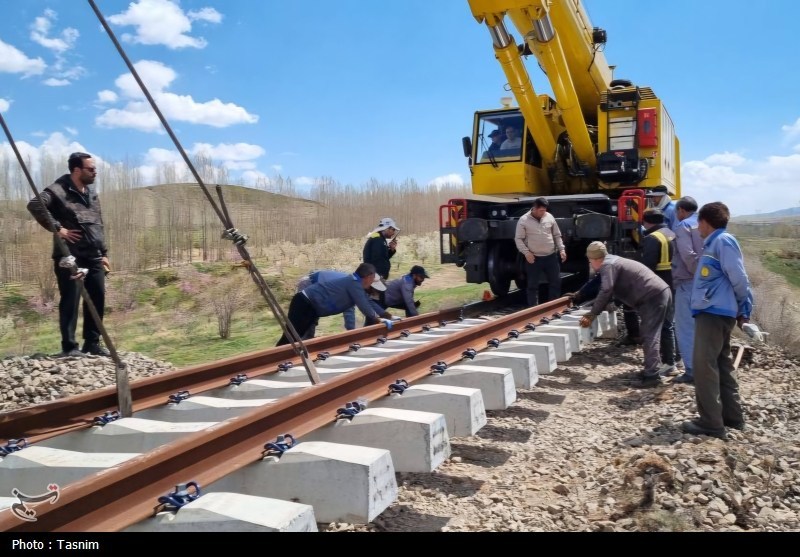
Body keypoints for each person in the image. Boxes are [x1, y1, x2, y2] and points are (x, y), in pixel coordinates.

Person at [26, 152, 110, 357]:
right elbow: (35, 205)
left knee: (97, 296)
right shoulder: (57, 190)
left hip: (93, 255)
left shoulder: (91, 194)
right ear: (76, 170)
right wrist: (58, 228)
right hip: (69, 255)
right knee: (71, 298)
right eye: (91, 169)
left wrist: (104, 252)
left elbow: (98, 224)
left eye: (95, 168)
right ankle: (70, 347)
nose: (95, 172)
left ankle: (92, 343)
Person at [682, 202, 753, 440]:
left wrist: (743, 306)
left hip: (713, 313)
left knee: (704, 367)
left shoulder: (722, 242)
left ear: (704, 221)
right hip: (716, 312)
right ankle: (732, 418)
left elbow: (739, 278)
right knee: (722, 364)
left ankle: (711, 423)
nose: (697, 228)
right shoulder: (715, 243)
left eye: (698, 224)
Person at [577, 241, 673, 386]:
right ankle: (658, 367)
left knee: (650, 335)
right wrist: (580, 294)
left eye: (590, 261)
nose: (590, 264)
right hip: (660, 292)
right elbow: (602, 284)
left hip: (652, 297)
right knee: (658, 331)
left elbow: (606, 289)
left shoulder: (607, 265)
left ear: (596, 259)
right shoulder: (613, 260)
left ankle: (652, 376)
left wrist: (592, 314)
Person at [276, 263, 393, 346]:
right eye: (372, 281)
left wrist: (385, 315)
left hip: (312, 307)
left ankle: (285, 359)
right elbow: (364, 307)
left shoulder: (356, 285)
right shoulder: (354, 284)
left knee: (299, 335)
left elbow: (368, 302)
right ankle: (275, 358)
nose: (372, 286)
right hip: (304, 303)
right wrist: (378, 319)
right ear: (368, 278)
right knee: (292, 336)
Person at [671, 196, 704, 384]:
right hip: (708, 283)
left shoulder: (683, 226)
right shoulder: (704, 224)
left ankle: (692, 370)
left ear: (682, 210)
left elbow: (687, 255)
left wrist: (696, 273)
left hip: (688, 282)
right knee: (703, 327)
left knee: (685, 327)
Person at [641, 207, 677, 374]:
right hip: (674, 282)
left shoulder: (652, 238)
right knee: (672, 322)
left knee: (663, 325)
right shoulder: (671, 233)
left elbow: (647, 268)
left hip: (659, 285)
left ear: (646, 222)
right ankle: (677, 357)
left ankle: (669, 362)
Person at [514, 197, 566, 307]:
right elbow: (518, 239)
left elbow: (557, 235)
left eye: (545, 210)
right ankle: (533, 308)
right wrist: (526, 253)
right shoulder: (524, 220)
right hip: (534, 258)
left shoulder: (549, 217)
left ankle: (553, 306)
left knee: (555, 282)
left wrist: (561, 249)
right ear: (535, 208)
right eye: (541, 210)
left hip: (551, 256)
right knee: (532, 285)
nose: (544, 212)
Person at [296, 270, 356, 338]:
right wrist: (352, 333)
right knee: (306, 319)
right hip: (309, 283)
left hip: (315, 284)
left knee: (311, 319)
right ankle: (301, 342)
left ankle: (306, 340)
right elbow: (349, 311)